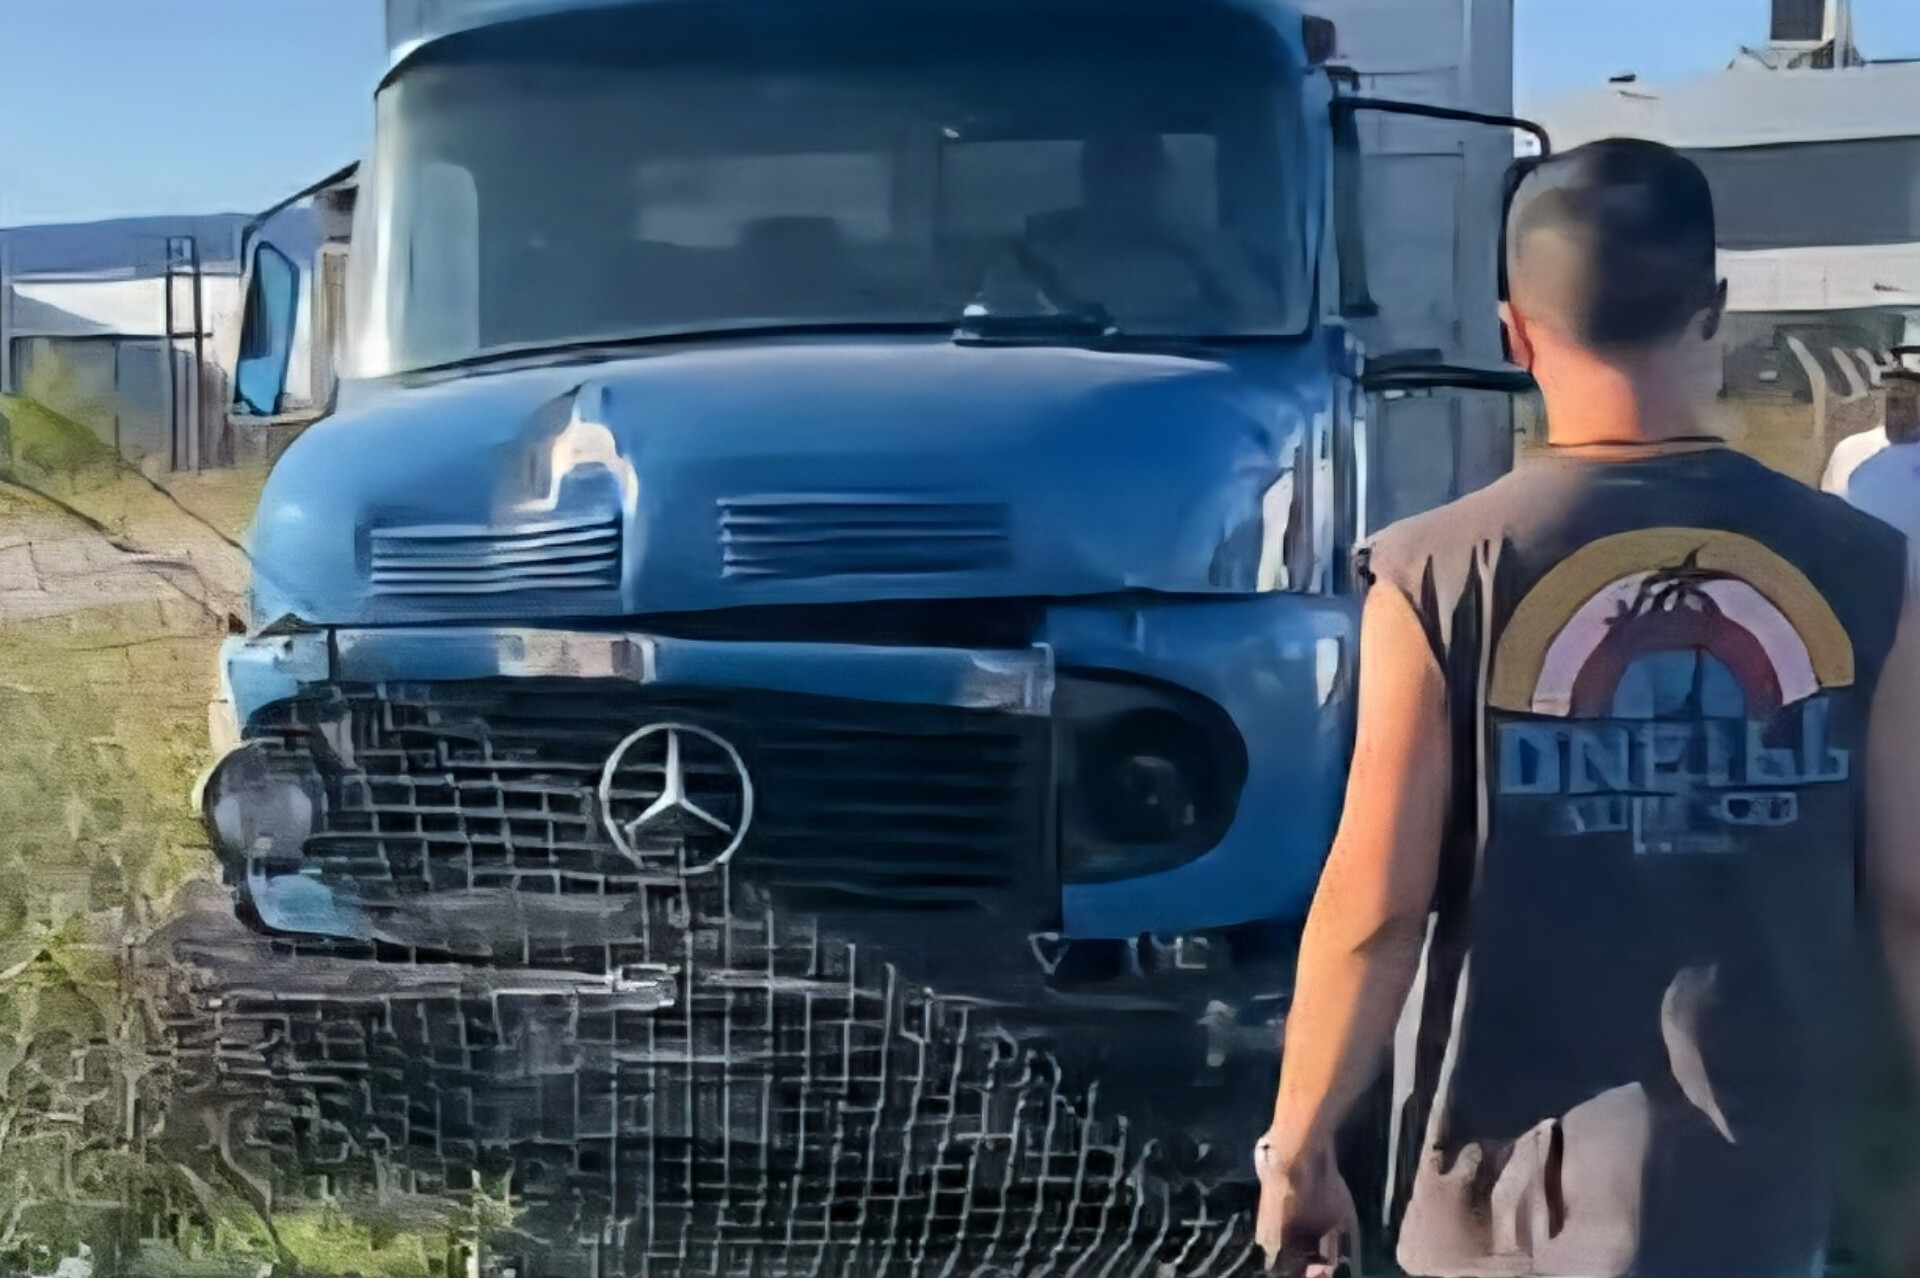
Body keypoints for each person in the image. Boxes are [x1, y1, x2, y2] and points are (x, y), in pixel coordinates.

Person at [1253, 137, 1920, 1278]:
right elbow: (1908, 896)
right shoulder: (1869, 566)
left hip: (1507, 1209)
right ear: (1715, 313)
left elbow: (1375, 909)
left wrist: (1300, 1151)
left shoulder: (1432, 572)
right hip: (1771, 1201)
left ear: (1513, 334)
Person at [1827, 369, 1920, 578]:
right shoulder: (1850, 450)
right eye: (1894, 401)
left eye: (1912, 399)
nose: (1901, 411)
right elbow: (1834, 526)